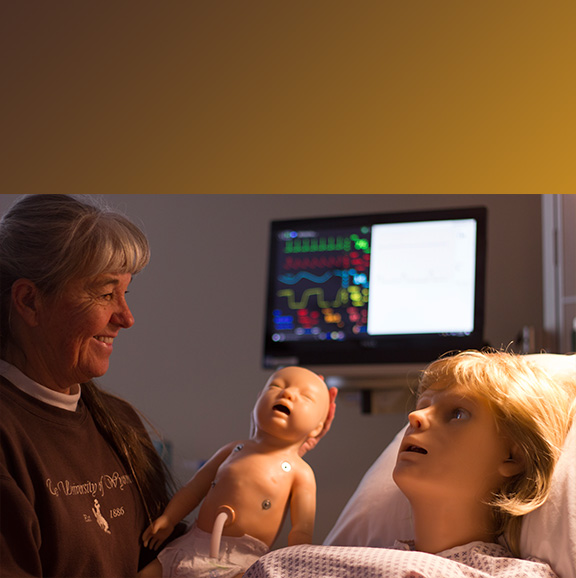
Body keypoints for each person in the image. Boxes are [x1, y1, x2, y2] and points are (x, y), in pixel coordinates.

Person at [0, 194, 336, 578]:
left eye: (126, 294)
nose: (126, 317)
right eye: (106, 294)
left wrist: (272, 453)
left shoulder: (119, 422)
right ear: (29, 301)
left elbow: (160, 550)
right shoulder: (8, 437)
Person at [244, 350, 576, 578]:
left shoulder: (518, 575)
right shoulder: (341, 559)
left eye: (456, 413)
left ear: (512, 456)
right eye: (423, 405)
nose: (415, 417)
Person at [138, 365, 331, 578]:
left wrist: (298, 564)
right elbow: (194, 488)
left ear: (317, 427)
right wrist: (169, 518)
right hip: (192, 545)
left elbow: (301, 529)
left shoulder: (300, 472)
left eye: (306, 397)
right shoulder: (233, 449)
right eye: (276, 386)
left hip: (241, 562)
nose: (287, 393)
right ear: (258, 400)